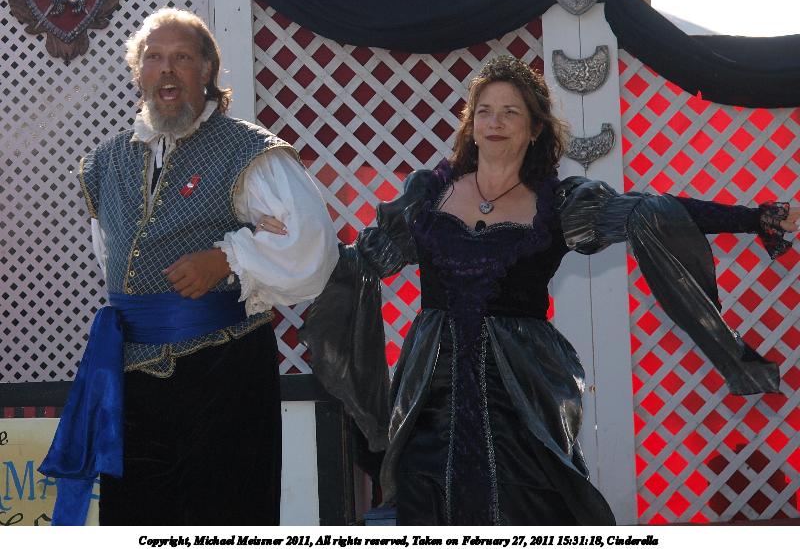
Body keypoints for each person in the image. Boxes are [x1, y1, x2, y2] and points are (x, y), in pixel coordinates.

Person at [287, 56, 798, 525]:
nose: (494, 122)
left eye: (510, 112)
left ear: (534, 128)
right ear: (471, 124)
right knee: (427, 499)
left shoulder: (560, 205)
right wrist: (278, 256)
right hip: (432, 392)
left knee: (527, 504)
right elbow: (362, 259)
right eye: (484, 111)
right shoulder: (427, 196)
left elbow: (652, 212)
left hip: (521, 391)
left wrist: (755, 218)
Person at [40, 8, 338, 525]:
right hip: (132, 379)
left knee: (222, 515)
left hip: (224, 371)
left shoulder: (248, 149)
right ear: (138, 73)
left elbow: (312, 245)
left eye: (181, 57)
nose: (167, 69)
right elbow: (113, 258)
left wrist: (226, 259)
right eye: (154, 57)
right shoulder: (107, 161)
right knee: (136, 518)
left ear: (207, 70)